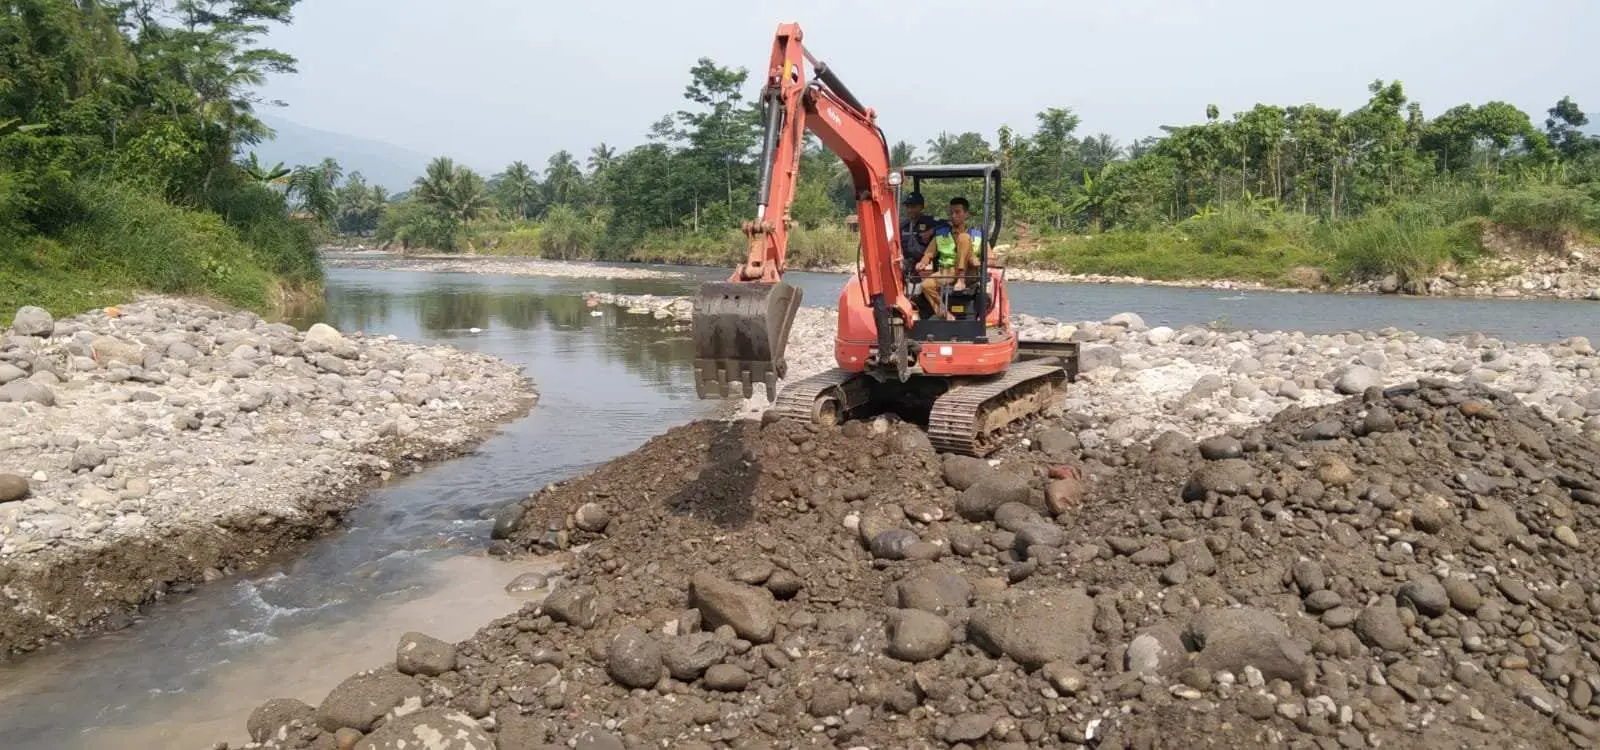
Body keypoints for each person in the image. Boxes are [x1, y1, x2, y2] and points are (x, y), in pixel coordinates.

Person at [916, 197, 981, 320]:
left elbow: (991, 259)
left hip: (969, 273)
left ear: (966, 214)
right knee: (926, 285)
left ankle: (961, 279)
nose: (953, 215)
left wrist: (977, 261)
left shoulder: (977, 235)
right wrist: (922, 262)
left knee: (963, 238)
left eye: (957, 212)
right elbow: (928, 254)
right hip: (948, 272)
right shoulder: (941, 234)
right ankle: (945, 314)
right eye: (951, 212)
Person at [899, 191, 932, 285]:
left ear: (921, 207)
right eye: (908, 207)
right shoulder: (903, 225)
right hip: (907, 264)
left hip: (924, 263)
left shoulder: (929, 223)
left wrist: (932, 231)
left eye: (913, 207)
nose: (910, 210)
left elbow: (947, 224)